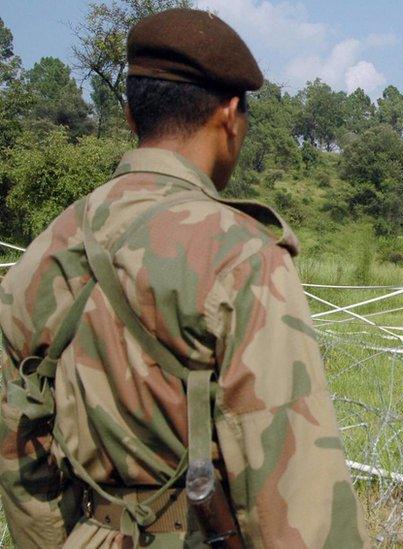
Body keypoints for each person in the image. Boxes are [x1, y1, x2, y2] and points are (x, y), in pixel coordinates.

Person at [0, 9, 367, 547]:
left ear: (130, 115)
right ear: (230, 113)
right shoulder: (241, 256)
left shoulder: (45, 251)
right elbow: (296, 490)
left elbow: (17, 448)